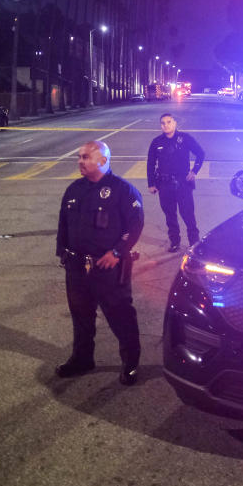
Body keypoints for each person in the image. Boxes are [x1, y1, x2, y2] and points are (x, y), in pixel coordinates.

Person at [55, 141, 145, 386]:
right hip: (76, 268)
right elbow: (63, 224)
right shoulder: (74, 189)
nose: (80, 161)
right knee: (81, 317)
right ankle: (82, 359)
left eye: (85, 157)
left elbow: (134, 226)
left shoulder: (123, 190)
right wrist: (62, 253)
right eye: (79, 157)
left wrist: (117, 252)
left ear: (103, 161)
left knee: (120, 316)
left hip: (108, 268)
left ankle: (130, 363)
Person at [146, 113, 205, 252]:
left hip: (183, 184)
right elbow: (150, 163)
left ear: (175, 123)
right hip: (164, 184)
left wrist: (194, 171)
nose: (166, 125)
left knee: (188, 215)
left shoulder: (185, 138)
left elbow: (200, 153)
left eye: (169, 122)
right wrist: (151, 183)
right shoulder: (156, 142)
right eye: (163, 123)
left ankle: (194, 244)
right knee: (170, 216)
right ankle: (175, 242)